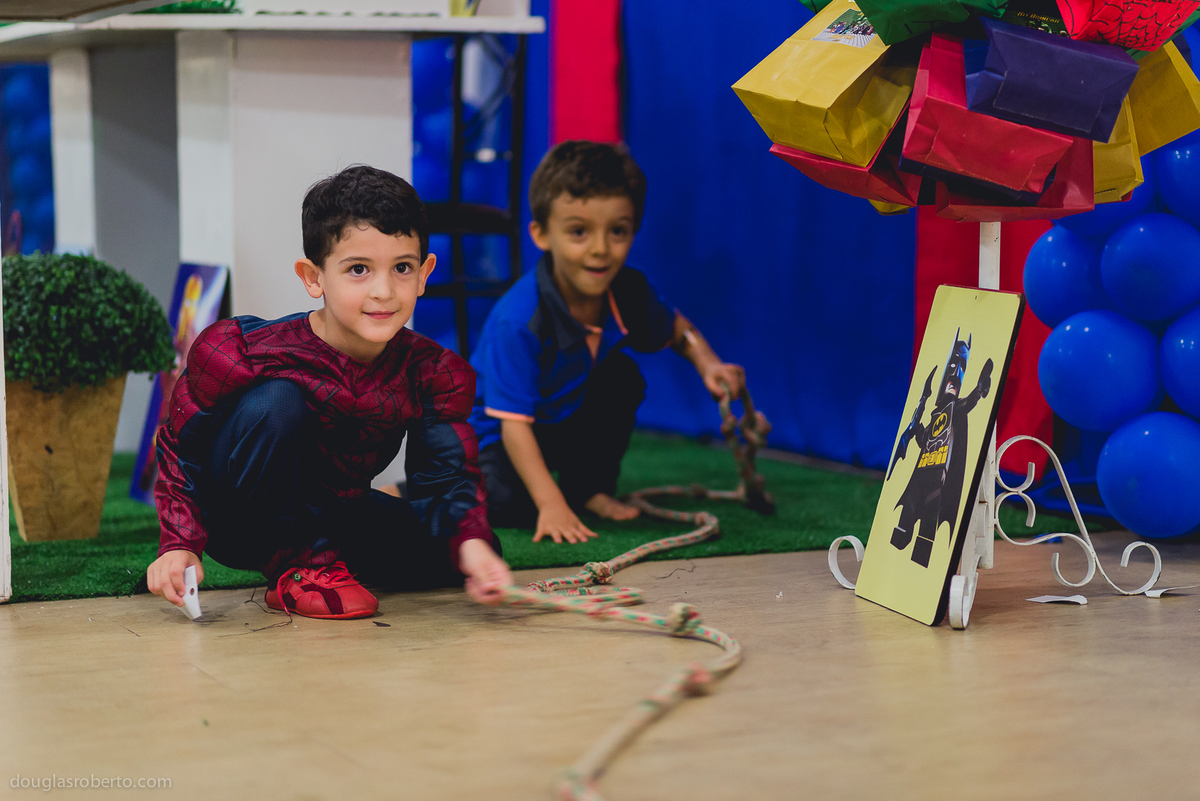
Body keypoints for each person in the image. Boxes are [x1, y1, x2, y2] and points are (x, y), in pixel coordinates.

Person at [146, 165, 512, 619]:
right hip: (239, 518)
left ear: (424, 274)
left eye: (402, 268)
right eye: (358, 269)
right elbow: (182, 447)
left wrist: (472, 544)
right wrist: (179, 543)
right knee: (277, 401)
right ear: (313, 276)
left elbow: (447, 476)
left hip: (335, 512)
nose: (383, 291)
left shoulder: (433, 371)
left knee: (468, 545)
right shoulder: (239, 350)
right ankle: (300, 568)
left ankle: (327, 557)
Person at [470, 140, 747, 545]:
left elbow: (675, 328)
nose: (600, 249)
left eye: (617, 231)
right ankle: (417, 493)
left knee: (621, 376)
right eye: (579, 232)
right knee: (511, 506)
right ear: (542, 234)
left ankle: (590, 489)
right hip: (497, 438)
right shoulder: (519, 319)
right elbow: (513, 426)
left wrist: (709, 364)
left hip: (558, 423)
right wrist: (550, 503)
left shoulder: (628, 290)